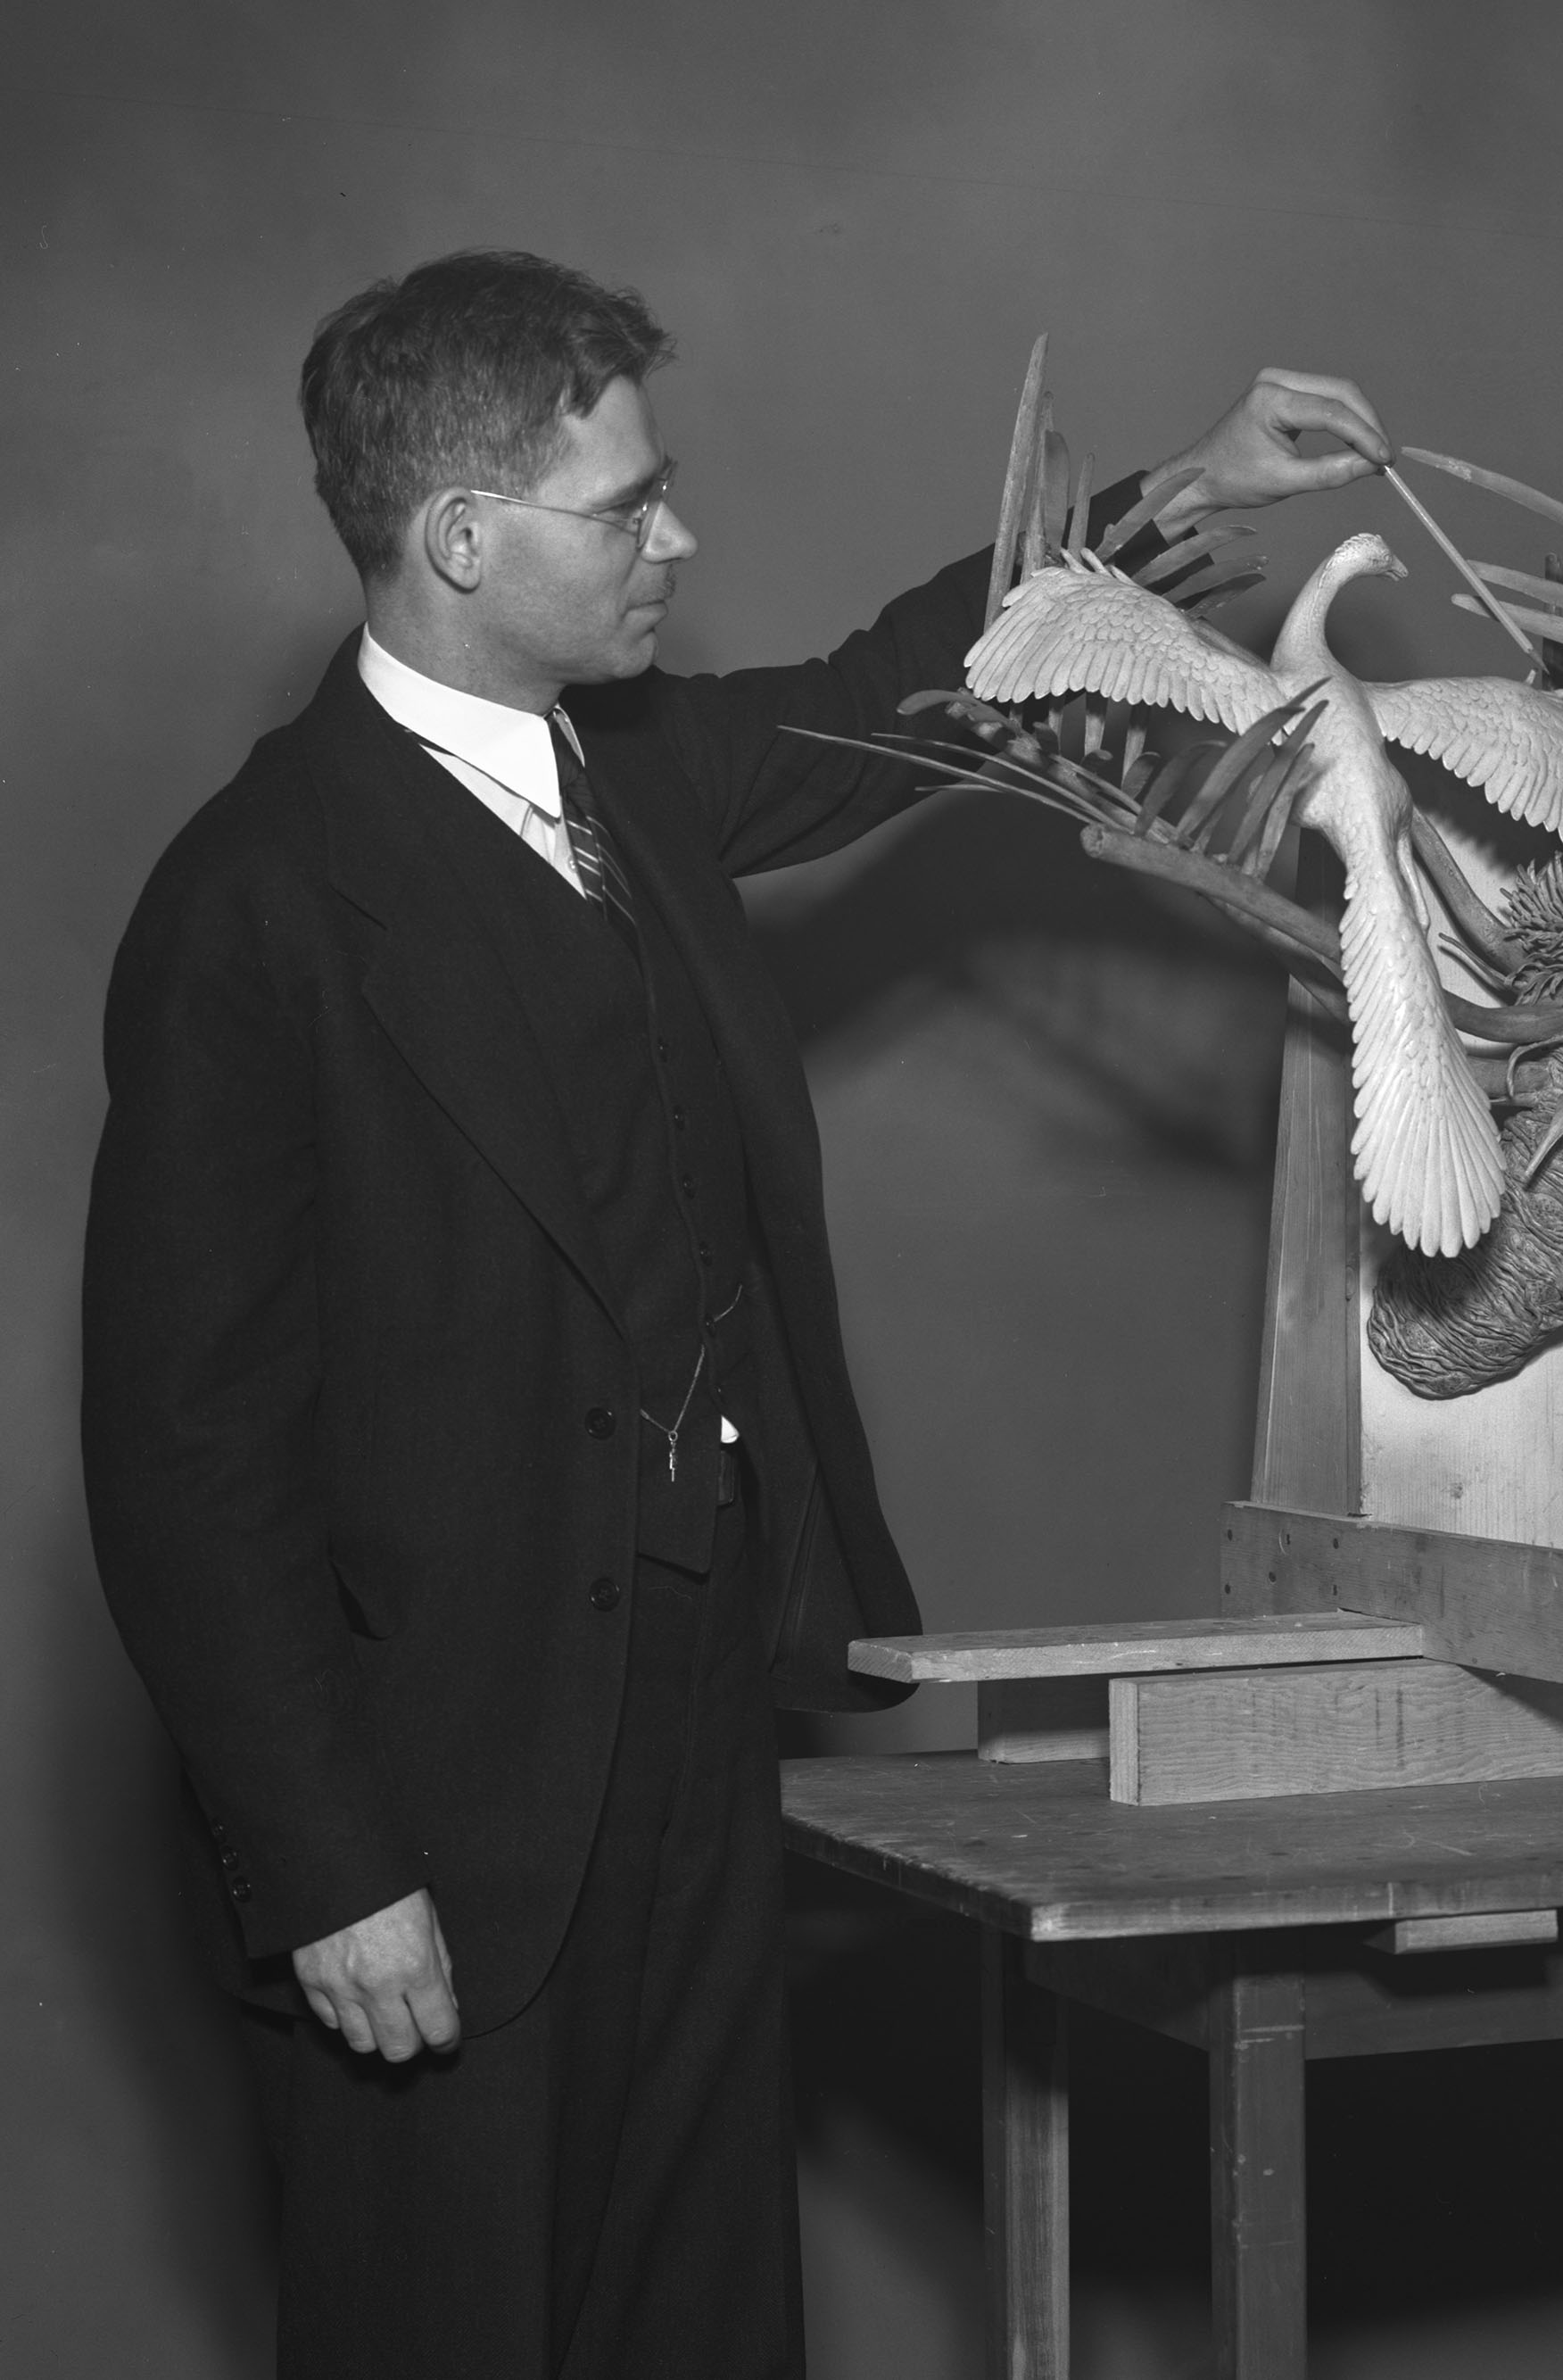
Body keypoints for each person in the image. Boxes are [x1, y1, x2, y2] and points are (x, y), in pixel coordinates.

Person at [80, 247, 1390, 2378]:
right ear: (460, 537)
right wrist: (327, 1870)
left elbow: (915, 683)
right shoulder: (250, 905)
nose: (675, 535)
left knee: (694, 2321)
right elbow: (180, 1450)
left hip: (693, 1729)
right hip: (434, 1819)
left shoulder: (638, 774)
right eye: (627, 507)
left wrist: (1193, 491)